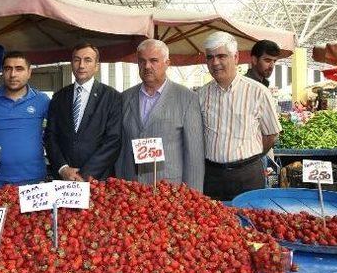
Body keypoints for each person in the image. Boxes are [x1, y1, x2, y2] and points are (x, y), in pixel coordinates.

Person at [198, 32, 281, 201]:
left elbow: (272, 135)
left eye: (221, 56)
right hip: (211, 176)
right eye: (210, 57)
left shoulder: (258, 92)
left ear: (235, 57)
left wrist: (250, 157)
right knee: (212, 224)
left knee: (248, 223)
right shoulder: (201, 95)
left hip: (247, 176)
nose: (215, 63)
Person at [115, 39, 204, 190]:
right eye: (142, 61)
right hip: (131, 190)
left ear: (167, 63)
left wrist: (193, 197)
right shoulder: (125, 97)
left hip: (169, 191)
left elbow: (194, 155)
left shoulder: (187, 98)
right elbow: (119, 148)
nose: (147, 66)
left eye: (153, 61)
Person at [0, 51, 50, 186]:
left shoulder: (42, 100)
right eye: (8, 69)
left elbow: (58, 131)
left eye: (19, 69)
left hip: (34, 178)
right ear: (2, 71)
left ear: (29, 72)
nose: (13, 74)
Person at [45, 43, 122, 181]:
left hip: (98, 180)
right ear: (71, 63)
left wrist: (85, 174)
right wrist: (63, 168)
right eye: (76, 60)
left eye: (87, 60)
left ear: (96, 66)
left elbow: (113, 140)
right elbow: (50, 136)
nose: (81, 65)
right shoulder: (59, 97)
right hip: (64, 178)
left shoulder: (112, 97)